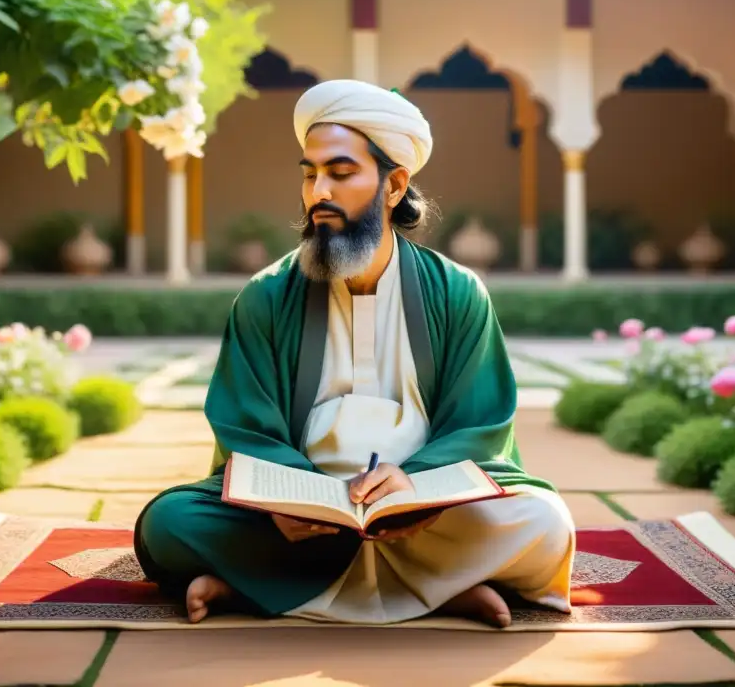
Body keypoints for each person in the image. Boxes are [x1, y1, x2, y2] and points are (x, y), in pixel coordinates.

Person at [133, 79, 576, 628]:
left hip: (426, 510)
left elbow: (481, 424)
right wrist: (288, 499)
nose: (319, 191)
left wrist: (417, 481)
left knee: (545, 520)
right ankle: (446, 589)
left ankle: (257, 587)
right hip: (297, 520)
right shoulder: (266, 296)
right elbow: (245, 427)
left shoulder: (458, 292)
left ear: (393, 185)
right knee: (169, 523)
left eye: (340, 174)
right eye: (309, 174)